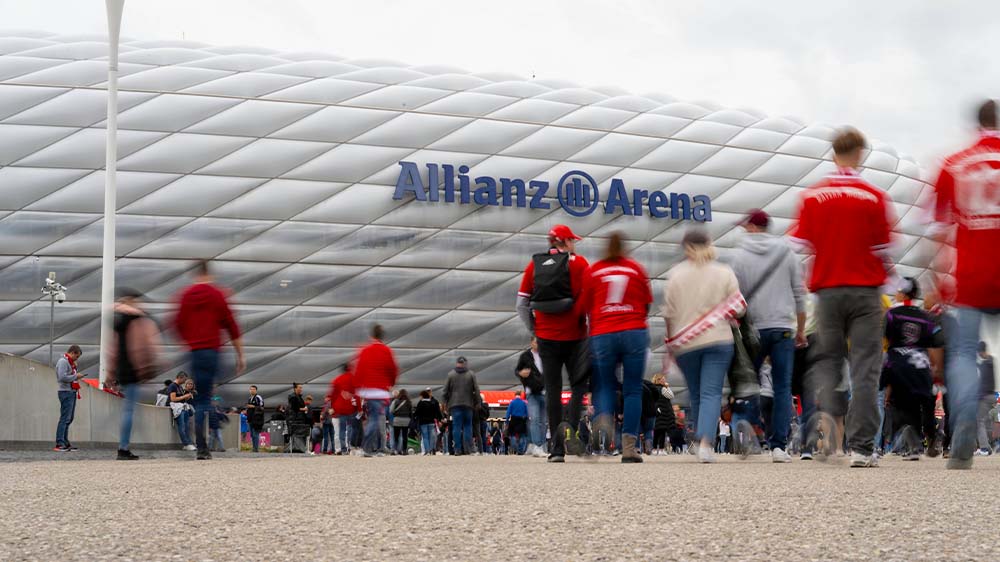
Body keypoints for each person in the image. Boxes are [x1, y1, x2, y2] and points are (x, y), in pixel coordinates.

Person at [789, 127, 895, 469]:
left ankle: (830, 418)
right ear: (860, 153)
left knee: (827, 362)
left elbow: (800, 244)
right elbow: (884, 249)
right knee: (865, 370)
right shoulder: (875, 196)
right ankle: (863, 448)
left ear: (832, 153)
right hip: (866, 293)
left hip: (828, 292)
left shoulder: (812, 196)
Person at [932, 100, 1000, 469]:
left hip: (971, 274)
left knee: (962, 354)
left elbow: (937, 229)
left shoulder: (953, 164)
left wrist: (934, 276)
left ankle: (962, 422)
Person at [730, 209, 808, 463]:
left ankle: (750, 429)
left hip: (752, 328)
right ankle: (778, 446)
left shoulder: (739, 255)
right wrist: (801, 328)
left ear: (752, 227)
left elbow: (736, 295)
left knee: (748, 382)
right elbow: (799, 292)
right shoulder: (787, 252)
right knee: (783, 388)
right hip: (782, 326)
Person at [662, 228, 745, 463]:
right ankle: (706, 444)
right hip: (718, 339)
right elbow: (739, 307)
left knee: (697, 393)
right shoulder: (724, 272)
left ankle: (700, 441)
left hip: (686, 343)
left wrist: (671, 342)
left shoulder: (676, 274)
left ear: (686, 247)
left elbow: (669, 313)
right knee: (711, 392)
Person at [516, 224, 591, 462]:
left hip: (546, 338)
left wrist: (535, 329)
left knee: (553, 390)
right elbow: (590, 300)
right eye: (573, 241)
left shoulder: (534, 265)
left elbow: (521, 304)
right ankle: (572, 429)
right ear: (567, 242)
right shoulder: (580, 264)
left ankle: (557, 450)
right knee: (579, 386)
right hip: (576, 337)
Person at [578, 231, 654, 463]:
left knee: (604, 386)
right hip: (634, 332)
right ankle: (629, 447)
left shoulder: (594, 270)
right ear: (624, 248)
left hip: (603, 334)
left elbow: (583, 306)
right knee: (632, 390)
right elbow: (647, 303)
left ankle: (603, 420)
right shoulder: (636, 269)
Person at [172, 259, 245, 461]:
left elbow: (176, 323)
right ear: (209, 273)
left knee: (200, 399)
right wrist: (240, 355)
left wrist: (187, 342)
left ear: (195, 274)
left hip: (195, 352)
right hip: (213, 351)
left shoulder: (185, 295)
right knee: (210, 392)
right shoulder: (218, 294)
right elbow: (231, 326)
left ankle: (202, 447)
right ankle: (226, 405)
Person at [880, 277, 945, 460]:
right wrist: (937, 369)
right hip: (921, 366)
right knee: (925, 405)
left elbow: (884, 340)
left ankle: (913, 445)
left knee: (905, 406)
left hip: (899, 365)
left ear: (902, 292)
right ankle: (930, 439)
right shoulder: (926, 317)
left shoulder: (892, 314)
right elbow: (934, 344)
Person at [105, 288, 161, 460]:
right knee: (129, 409)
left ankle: (124, 445)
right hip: (135, 370)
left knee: (128, 408)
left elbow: (112, 350)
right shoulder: (139, 320)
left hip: (122, 369)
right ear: (132, 301)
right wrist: (149, 366)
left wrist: (110, 373)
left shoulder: (118, 321)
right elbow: (149, 345)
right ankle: (123, 447)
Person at [353, 324, 400, 457]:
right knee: (375, 419)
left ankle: (370, 448)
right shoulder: (387, 351)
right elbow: (393, 370)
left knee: (374, 419)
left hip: (368, 391)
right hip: (381, 391)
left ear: (371, 336)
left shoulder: (365, 350)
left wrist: (357, 387)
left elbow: (359, 370)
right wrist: (391, 383)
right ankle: (368, 448)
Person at [515, 337, 547, 457]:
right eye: (535, 342)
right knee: (534, 419)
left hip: (544, 391)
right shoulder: (525, 356)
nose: (537, 344)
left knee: (543, 421)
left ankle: (540, 445)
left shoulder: (545, 355)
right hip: (531, 391)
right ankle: (537, 445)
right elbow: (517, 370)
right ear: (531, 342)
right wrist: (520, 373)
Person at [443, 357, 480, 456]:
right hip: (468, 405)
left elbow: (445, 391)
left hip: (454, 405)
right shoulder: (471, 374)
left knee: (456, 427)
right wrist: (478, 403)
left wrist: (445, 404)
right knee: (468, 426)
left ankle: (457, 450)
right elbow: (476, 390)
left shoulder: (450, 375)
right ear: (465, 363)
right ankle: (469, 449)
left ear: (457, 363)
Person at [54, 345, 86, 452]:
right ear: (72, 352)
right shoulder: (63, 362)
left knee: (69, 418)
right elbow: (62, 377)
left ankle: (65, 442)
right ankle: (59, 442)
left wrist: (74, 370)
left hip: (71, 392)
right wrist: (76, 376)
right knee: (65, 418)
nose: (77, 359)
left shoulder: (70, 363)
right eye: (76, 356)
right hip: (65, 392)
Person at [329, 364, 358, 455]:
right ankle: (352, 447)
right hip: (352, 408)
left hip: (341, 410)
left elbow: (333, 396)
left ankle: (343, 449)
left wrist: (334, 407)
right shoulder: (354, 379)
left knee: (341, 430)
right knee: (353, 428)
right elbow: (357, 394)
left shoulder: (337, 380)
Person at [976, 342, 996, 456]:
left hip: (985, 396)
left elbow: (983, 383)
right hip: (993, 395)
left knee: (979, 421)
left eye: (979, 353)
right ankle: (990, 446)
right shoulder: (991, 361)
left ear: (981, 351)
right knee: (988, 421)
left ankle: (984, 448)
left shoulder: (985, 363)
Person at [651, 374, 676, 455]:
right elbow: (671, 396)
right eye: (663, 379)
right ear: (659, 380)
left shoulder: (652, 388)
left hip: (656, 411)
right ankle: (661, 449)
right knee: (662, 431)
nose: (665, 380)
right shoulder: (663, 389)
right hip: (664, 413)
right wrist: (667, 387)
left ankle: (654, 449)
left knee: (656, 432)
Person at [413, 389, 441, 455]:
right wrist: (438, 419)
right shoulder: (432, 403)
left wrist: (414, 417)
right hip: (431, 422)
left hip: (423, 422)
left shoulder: (420, 403)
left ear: (422, 396)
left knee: (425, 437)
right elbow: (437, 412)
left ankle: (427, 451)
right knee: (431, 437)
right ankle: (431, 450)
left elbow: (417, 412)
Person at [505, 391, 529, 455]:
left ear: (515, 395)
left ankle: (515, 448)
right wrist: (526, 418)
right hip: (521, 420)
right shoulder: (523, 403)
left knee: (512, 435)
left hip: (513, 419)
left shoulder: (512, 402)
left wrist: (507, 420)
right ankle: (520, 450)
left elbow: (508, 412)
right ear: (520, 395)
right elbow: (527, 412)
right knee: (522, 435)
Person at [390, 389, 413, 455]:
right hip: (406, 420)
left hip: (397, 420)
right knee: (405, 436)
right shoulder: (409, 402)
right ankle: (404, 450)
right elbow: (411, 412)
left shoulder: (395, 401)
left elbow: (391, 410)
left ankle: (394, 450)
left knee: (396, 436)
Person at [246, 385, 265, 452]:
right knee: (251, 434)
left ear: (256, 390)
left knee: (255, 434)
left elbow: (262, 407)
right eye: (251, 389)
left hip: (257, 419)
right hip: (250, 419)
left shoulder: (258, 397)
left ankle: (256, 449)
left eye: (253, 389)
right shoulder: (249, 398)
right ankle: (254, 447)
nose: (252, 390)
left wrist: (253, 406)